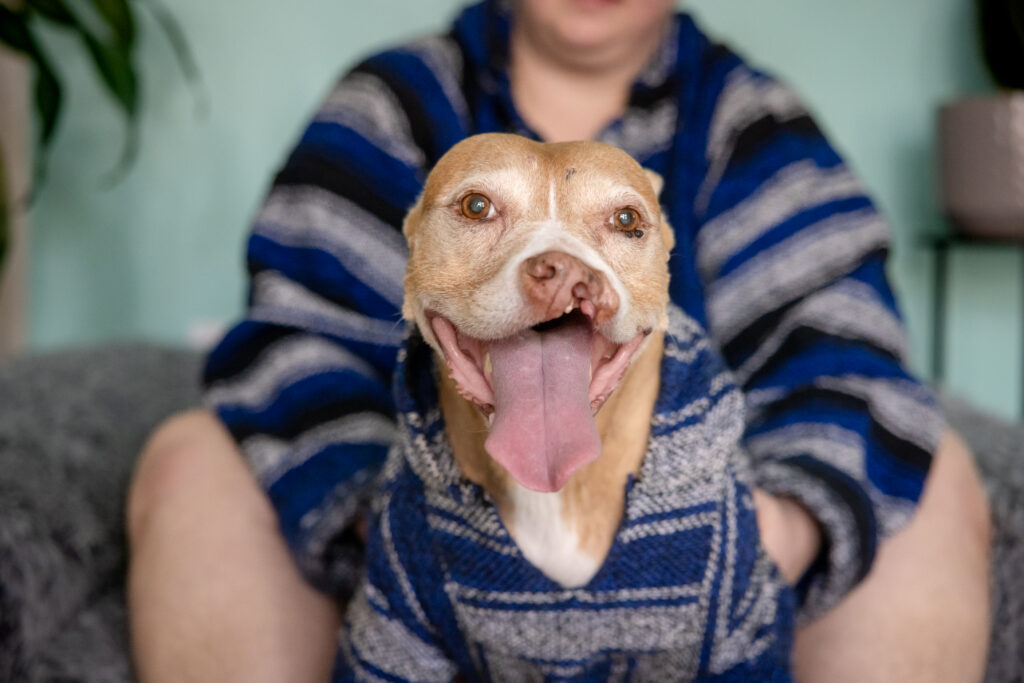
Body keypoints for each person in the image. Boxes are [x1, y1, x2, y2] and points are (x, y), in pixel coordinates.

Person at [126, 0, 992, 680]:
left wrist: (772, 530)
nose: (556, 272)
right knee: (190, 453)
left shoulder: (752, 123)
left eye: (618, 222)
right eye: (475, 209)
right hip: (416, 553)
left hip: (711, 553)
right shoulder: (392, 106)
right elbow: (295, 333)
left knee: (938, 476)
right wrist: (403, 528)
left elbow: (846, 349)